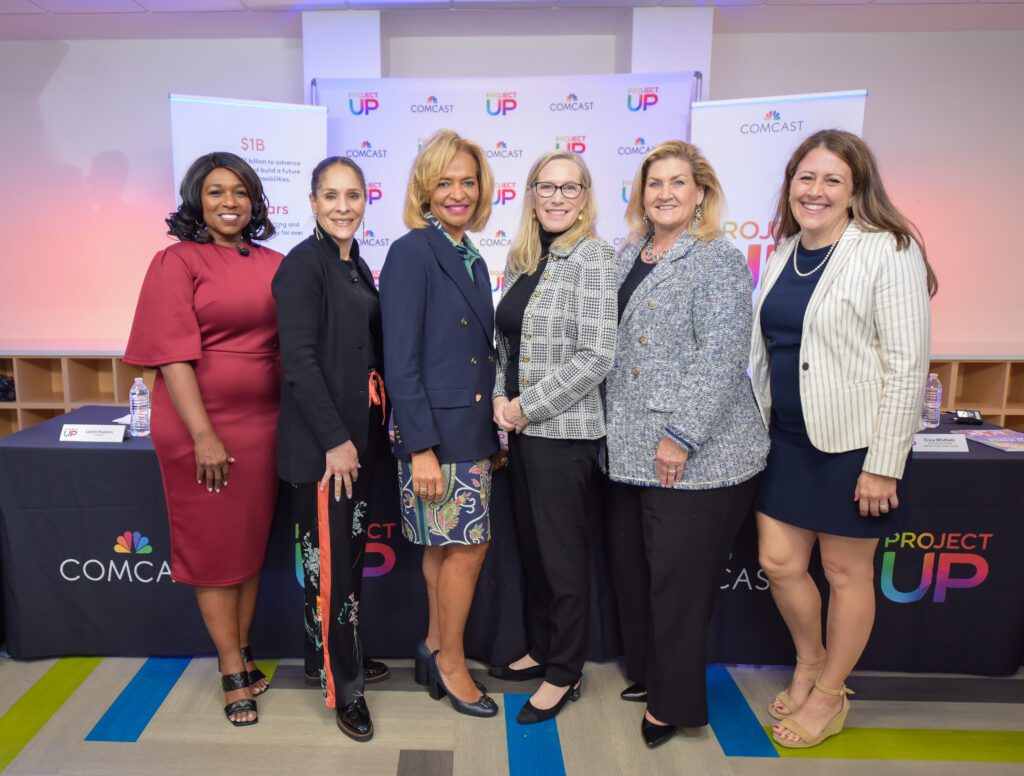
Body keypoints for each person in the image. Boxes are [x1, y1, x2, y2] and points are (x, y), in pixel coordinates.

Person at [750, 129, 935, 748]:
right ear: (791, 185)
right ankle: (809, 660)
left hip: (853, 443)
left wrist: (885, 464)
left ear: (857, 189)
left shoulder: (888, 249)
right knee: (779, 563)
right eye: (806, 177)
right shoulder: (782, 251)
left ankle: (830, 693)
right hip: (785, 438)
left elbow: (907, 364)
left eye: (832, 179)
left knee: (844, 571)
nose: (816, 190)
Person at [604, 140, 769, 748]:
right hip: (626, 447)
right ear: (641, 195)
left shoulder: (717, 260)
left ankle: (673, 704)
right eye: (655, 183)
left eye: (679, 182)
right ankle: (651, 673)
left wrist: (681, 436)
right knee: (637, 572)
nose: (666, 193)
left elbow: (722, 358)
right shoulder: (629, 254)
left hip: (696, 454)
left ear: (701, 193)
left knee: (677, 582)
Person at [124, 152, 282, 727]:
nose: (229, 203)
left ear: (255, 200)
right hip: (202, 425)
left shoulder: (274, 262)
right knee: (216, 550)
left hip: (266, 425)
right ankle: (231, 668)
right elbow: (170, 355)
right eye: (216, 192)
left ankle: (240, 652)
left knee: (245, 548)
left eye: (240, 192)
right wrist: (204, 435)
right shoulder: (176, 261)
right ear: (197, 199)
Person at [490, 150, 618, 725]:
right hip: (519, 432)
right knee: (537, 552)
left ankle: (564, 671)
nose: (558, 197)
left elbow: (598, 354)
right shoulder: (523, 259)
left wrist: (524, 409)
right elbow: (504, 346)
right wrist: (499, 399)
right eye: (548, 186)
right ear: (533, 193)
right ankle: (541, 648)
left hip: (563, 435)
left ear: (586, 196)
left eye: (571, 187)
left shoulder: (593, 258)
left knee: (563, 557)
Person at [379, 129, 501, 719]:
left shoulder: (467, 252)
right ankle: (451, 663)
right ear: (424, 189)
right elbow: (398, 360)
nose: (458, 192)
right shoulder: (412, 250)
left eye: (468, 181)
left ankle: (433, 645)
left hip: (469, 429)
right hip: (438, 436)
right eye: (445, 181)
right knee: (466, 550)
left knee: (446, 548)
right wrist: (420, 447)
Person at [272, 156, 391, 742]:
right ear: (312, 203)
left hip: (360, 444)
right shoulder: (302, 266)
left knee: (342, 567)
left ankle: (336, 655)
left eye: (353, 195)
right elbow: (298, 363)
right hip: (327, 453)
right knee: (331, 573)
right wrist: (337, 442)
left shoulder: (354, 264)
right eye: (331, 196)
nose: (343, 206)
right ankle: (344, 690)